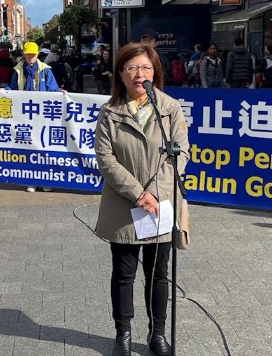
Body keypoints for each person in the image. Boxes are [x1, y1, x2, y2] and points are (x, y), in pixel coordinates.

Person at [94, 42, 189, 356]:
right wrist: (138, 194)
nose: (139, 74)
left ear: (155, 73)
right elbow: (105, 158)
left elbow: (180, 153)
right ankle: (123, 333)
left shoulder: (169, 108)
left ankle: (157, 335)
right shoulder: (110, 112)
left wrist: (155, 195)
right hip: (123, 204)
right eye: (132, 67)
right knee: (123, 273)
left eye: (146, 68)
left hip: (160, 203)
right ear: (121, 73)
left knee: (158, 274)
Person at [7, 41, 62, 192]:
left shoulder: (46, 70)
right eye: (28, 54)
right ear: (23, 55)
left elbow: (53, 89)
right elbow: (12, 89)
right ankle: (31, 180)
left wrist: (59, 92)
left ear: (37, 54)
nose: (31, 57)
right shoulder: (18, 70)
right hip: (25, 116)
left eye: (33, 54)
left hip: (43, 116)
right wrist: (3, 89)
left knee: (44, 147)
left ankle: (46, 179)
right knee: (28, 148)